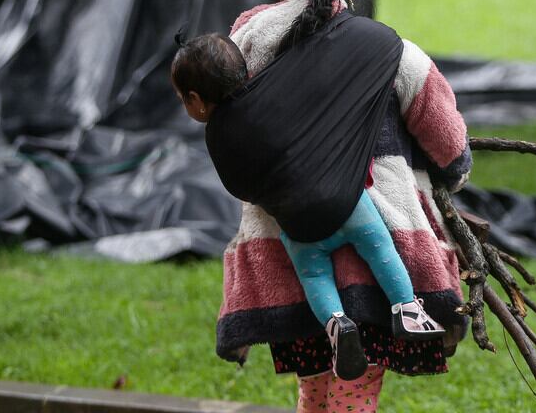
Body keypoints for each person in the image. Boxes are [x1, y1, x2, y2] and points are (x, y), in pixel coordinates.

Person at [212, 0, 472, 412]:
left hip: (282, 253)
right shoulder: (395, 54)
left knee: (313, 391)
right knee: (355, 396)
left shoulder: (241, 54)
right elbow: (450, 149)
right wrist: (452, 175)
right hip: (375, 259)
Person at [170, 33, 446, 382]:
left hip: (297, 222)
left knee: (314, 274)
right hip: (345, 200)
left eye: (182, 99)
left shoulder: (217, 136)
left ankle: (336, 324)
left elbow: (239, 187)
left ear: (196, 99)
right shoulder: (276, 93)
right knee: (379, 247)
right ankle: (406, 307)